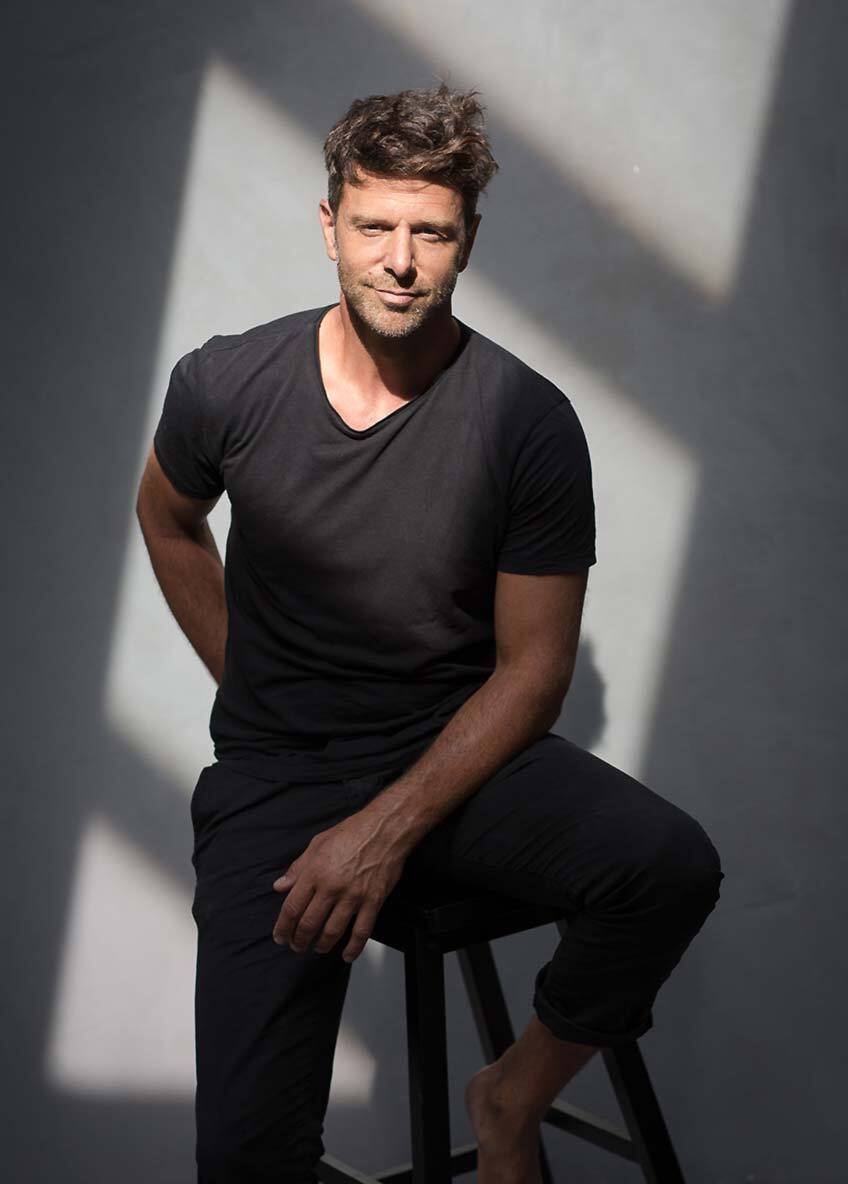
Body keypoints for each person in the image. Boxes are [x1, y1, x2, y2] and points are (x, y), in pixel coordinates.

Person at [137, 83, 724, 1184]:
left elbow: (536, 671)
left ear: (467, 239)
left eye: (431, 233)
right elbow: (167, 517)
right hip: (277, 772)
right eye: (374, 227)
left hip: (450, 757)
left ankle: (510, 1093)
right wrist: (248, 682)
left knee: (667, 865)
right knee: (246, 1161)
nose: (400, 261)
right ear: (329, 226)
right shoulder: (225, 382)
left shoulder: (525, 419)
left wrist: (383, 829)